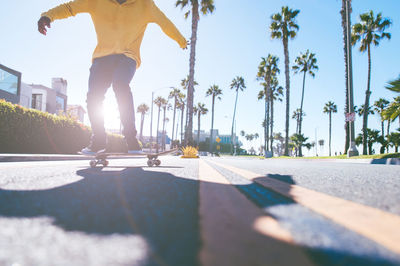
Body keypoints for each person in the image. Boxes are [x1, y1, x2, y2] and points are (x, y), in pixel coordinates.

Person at [38, 0, 187, 155]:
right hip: (102, 58)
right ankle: (98, 140)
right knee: (94, 96)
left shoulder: (145, 4)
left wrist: (181, 41)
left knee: (120, 85)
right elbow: (69, 8)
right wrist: (48, 16)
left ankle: (131, 140)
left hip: (127, 56)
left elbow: (164, 22)